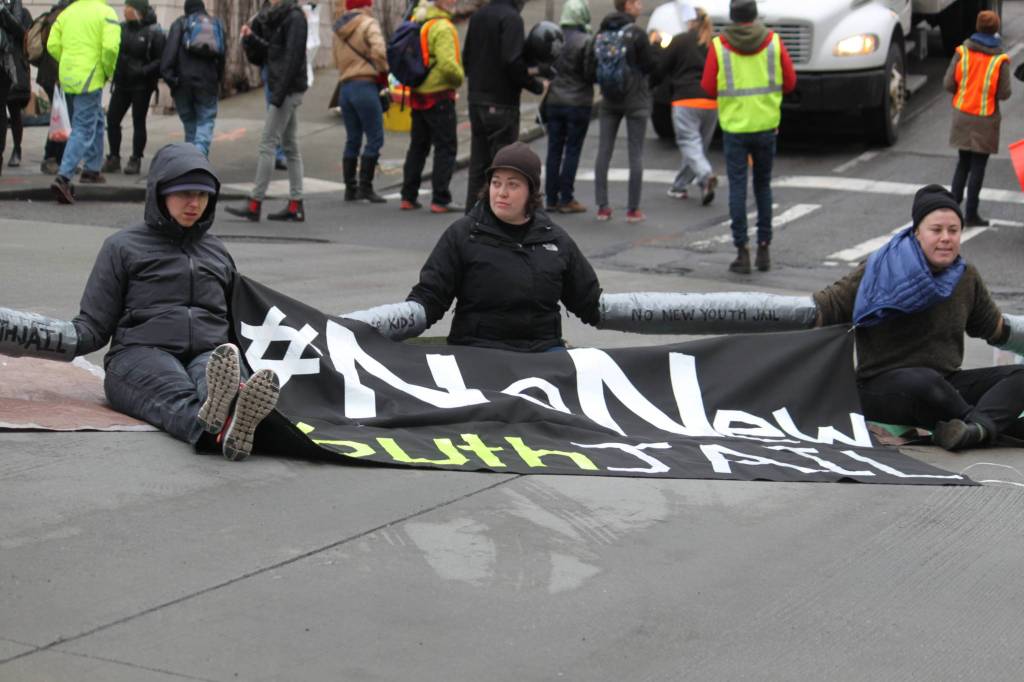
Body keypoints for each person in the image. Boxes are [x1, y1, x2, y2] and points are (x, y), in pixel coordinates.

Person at [0, 143, 281, 461]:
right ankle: (218, 425)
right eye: (184, 193)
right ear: (160, 193)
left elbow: (238, 323)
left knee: (217, 376)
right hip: (141, 355)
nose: (194, 203)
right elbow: (90, 330)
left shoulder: (218, 252)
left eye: (202, 195)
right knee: (178, 392)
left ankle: (228, 411)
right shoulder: (122, 247)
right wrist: (11, 329)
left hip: (209, 353)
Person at [814, 185, 1024, 451]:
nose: (946, 238)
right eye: (936, 230)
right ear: (916, 233)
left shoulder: (966, 275)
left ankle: (976, 430)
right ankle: (981, 423)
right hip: (882, 388)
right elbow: (824, 308)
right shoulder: (879, 267)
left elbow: (994, 328)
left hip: (947, 386)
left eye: (954, 230)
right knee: (925, 381)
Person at [353, 142, 602, 351]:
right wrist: (355, 326)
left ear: (532, 191)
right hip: (478, 356)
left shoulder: (556, 241)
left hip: (542, 356)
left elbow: (593, 305)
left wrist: (642, 312)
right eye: (496, 183)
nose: (501, 192)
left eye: (513, 184)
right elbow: (427, 302)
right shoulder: (462, 234)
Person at [702, 0, 795, 274]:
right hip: (766, 126)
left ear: (732, 16)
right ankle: (764, 249)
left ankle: (742, 252)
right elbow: (790, 82)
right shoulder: (774, 42)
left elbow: (708, 86)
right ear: (755, 15)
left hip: (735, 129)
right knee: (763, 187)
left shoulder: (719, 46)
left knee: (738, 190)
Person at [225, 0, 309, 222]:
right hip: (284, 87)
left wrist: (278, 95)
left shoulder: (295, 18)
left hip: (286, 89)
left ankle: (255, 202)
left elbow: (292, 58)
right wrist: (251, 39)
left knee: (268, 143)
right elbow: (275, 53)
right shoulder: (282, 17)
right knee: (290, 145)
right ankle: (296, 204)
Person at [461, 0, 544, 213]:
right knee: (504, 168)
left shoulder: (479, 15)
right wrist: (534, 84)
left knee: (478, 166)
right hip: (502, 100)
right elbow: (511, 60)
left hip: (477, 98)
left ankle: (472, 220)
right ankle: (498, 222)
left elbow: (466, 57)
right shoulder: (511, 18)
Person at [586, 0, 659, 224]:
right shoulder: (637, 34)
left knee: (604, 151)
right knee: (635, 153)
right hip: (635, 98)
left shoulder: (602, 30)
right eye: (637, 2)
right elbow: (649, 66)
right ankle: (633, 210)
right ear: (627, 5)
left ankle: (602, 207)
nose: (641, 5)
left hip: (609, 98)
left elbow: (590, 68)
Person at [46, 0, 121, 204]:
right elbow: (110, 48)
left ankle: (91, 169)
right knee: (83, 127)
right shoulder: (106, 13)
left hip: (69, 75)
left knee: (95, 119)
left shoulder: (68, 12)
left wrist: (68, 60)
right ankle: (64, 177)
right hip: (90, 76)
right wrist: (108, 71)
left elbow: (52, 44)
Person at [944, 10, 1010, 228]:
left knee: (962, 163)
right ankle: (971, 213)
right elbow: (1004, 92)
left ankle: (952, 209)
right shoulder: (999, 59)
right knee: (978, 167)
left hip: (962, 115)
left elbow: (948, 84)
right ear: (996, 29)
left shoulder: (962, 52)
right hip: (986, 117)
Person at [398, 0, 463, 213]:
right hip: (439, 95)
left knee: (418, 146)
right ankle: (440, 198)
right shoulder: (443, 27)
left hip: (419, 93)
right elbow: (446, 64)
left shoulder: (418, 20)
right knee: (445, 147)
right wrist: (459, 77)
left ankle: (408, 195)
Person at [658, 5, 717, 205]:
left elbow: (662, 67)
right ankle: (680, 185)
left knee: (689, 143)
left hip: (685, 98)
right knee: (697, 148)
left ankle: (706, 175)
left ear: (690, 21)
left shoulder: (680, 40)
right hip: (711, 101)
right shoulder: (714, 43)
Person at [332, 0, 388, 203]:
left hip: (345, 88)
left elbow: (335, 60)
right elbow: (380, 51)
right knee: (375, 138)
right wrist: (382, 69)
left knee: (352, 139)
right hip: (365, 85)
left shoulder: (339, 29)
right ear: (365, 5)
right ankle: (366, 186)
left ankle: (350, 188)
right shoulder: (368, 24)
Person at [102, 0, 165, 176]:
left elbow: (160, 60)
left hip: (141, 85)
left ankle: (135, 158)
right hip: (122, 83)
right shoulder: (122, 28)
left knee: (139, 121)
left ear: (138, 10)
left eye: (128, 7)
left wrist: (142, 71)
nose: (125, 10)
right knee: (113, 119)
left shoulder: (153, 32)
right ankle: (114, 157)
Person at [542, 0, 593, 215]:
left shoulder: (554, 37)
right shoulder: (586, 41)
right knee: (572, 150)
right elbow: (590, 73)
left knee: (554, 149)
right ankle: (566, 197)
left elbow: (545, 66)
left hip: (554, 100)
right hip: (577, 102)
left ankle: (550, 198)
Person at [160, 0, 226, 158]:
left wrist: (172, 81)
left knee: (190, 125)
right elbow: (222, 57)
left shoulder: (180, 24)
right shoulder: (216, 24)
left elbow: (168, 57)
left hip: (182, 83)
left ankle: (192, 162)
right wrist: (218, 80)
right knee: (205, 121)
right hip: (207, 83)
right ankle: (199, 156)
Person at [34, 0, 72, 175]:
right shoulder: (62, 17)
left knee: (62, 117)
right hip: (55, 76)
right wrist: (59, 77)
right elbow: (55, 49)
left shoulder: (56, 14)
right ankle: (51, 157)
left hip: (52, 75)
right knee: (61, 117)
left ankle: (59, 158)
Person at [0, 0, 31, 172]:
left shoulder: (16, 5)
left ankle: (16, 149)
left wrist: (3, 11)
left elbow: (20, 30)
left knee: (12, 110)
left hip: (10, 64)